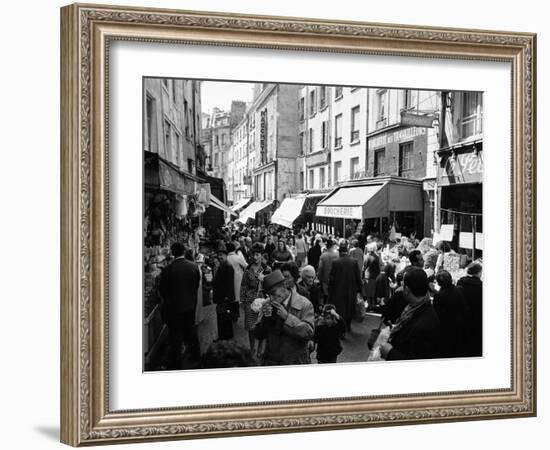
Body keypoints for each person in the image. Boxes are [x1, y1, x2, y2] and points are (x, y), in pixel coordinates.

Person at [253, 270, 315, 365]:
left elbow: (308, 333)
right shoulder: (267, 304)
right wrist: (266, 319)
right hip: (272, 361)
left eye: (273, 293)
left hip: (295, 361)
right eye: (269, 295)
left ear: (284, 285)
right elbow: (258, 334)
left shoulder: (304, 304)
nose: (271, 298)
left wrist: (287, 317)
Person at [380, 267, 441, 360]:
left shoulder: (423, 324)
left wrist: (389, 353)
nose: (401, 287)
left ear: (407, 290)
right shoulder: (415, 307)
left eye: (402, 284)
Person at [158, 242, 201, 369]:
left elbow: (162, 290)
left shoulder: (168, 270)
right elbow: (196, 285)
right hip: (190, 307)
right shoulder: (194, 267)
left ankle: (175, 364)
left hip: (174, 310)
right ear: (184, 252)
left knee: (175, 337)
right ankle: (195, 358)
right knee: (191, 333)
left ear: (172, 253)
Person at [240, 244, 271, 353]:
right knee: (250, 327)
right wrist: (243, 302)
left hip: (263, 301)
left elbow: (271, 286)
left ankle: (260, 348)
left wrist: (264, 280)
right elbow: (243, 285)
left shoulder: (267, 269)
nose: (255, 257)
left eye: (257, 254)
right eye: (253, 254)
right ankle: (252, 348)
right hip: (250, 301)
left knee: (262, 326)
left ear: (262, 255)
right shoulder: (248, 269)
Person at [328, 240, 363, 332]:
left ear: (339, 252)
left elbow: (331, 279)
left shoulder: (335, 262)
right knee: (350, 308)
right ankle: (348, 325)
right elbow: (358, 277)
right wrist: (360, 290)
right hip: (351, 290)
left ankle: (341, 327)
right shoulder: (354, 262)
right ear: (347, 251)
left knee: (340, 309)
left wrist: (330, 292)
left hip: (338, 290)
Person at [433, 270, 469, 358]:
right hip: (460, 323)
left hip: (446, 327)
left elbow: (437, 314)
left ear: (438, 283)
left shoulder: (438, 296)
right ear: (450, 279)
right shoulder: (460, 289)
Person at [457, 262, 483, 357]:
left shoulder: (461, 281)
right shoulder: (481, 285)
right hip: (477, 315)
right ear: (479, 273)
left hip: (463, 313)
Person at [212, 249, 236, 340]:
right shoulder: (223, 265)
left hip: (224, 298)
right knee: (222, 317)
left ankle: (225, 337)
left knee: (224, 318)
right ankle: (224, 336)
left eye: (221, 255)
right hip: (221, 297)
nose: (219, 257)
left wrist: (228, 297)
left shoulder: (228, 266)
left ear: (226, 256)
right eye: (218, 255)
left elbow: (229, 283)